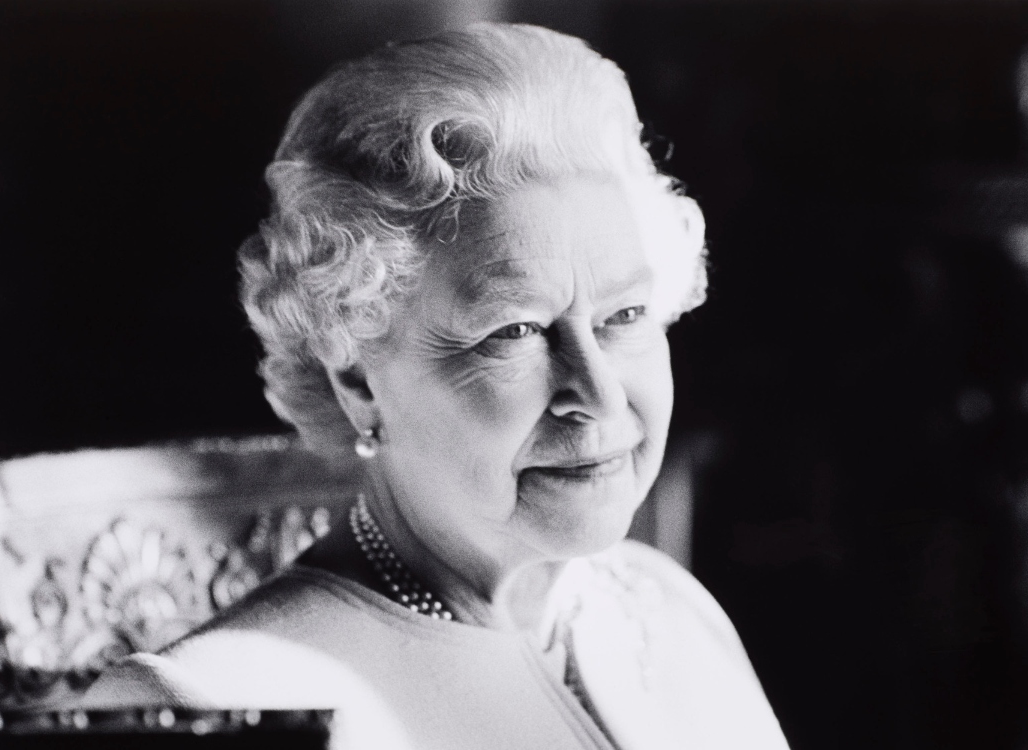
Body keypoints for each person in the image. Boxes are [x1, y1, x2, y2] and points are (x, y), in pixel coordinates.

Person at [83, 22, 789, 750]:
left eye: (626, 316)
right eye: (513, 331)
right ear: (356, 378)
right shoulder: (210, 708)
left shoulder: (668, 608)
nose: (601, 398)